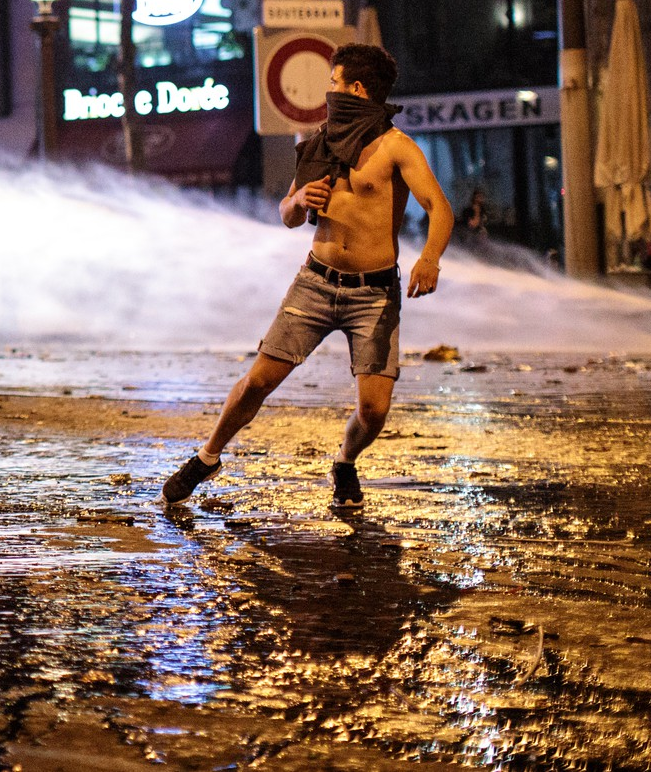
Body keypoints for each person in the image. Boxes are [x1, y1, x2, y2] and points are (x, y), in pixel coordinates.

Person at [162, 43, 453, 511]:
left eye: (334, 83)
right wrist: (298, 202)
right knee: (257, 381)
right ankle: (208, 456)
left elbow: (440, 207)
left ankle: (345, 461)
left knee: (374, 410)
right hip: (315, 282)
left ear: (357, 89)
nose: (328, 92)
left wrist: (430, 258)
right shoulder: (320, 141)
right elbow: (289, 215)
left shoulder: (398, 148)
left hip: (374, 294)